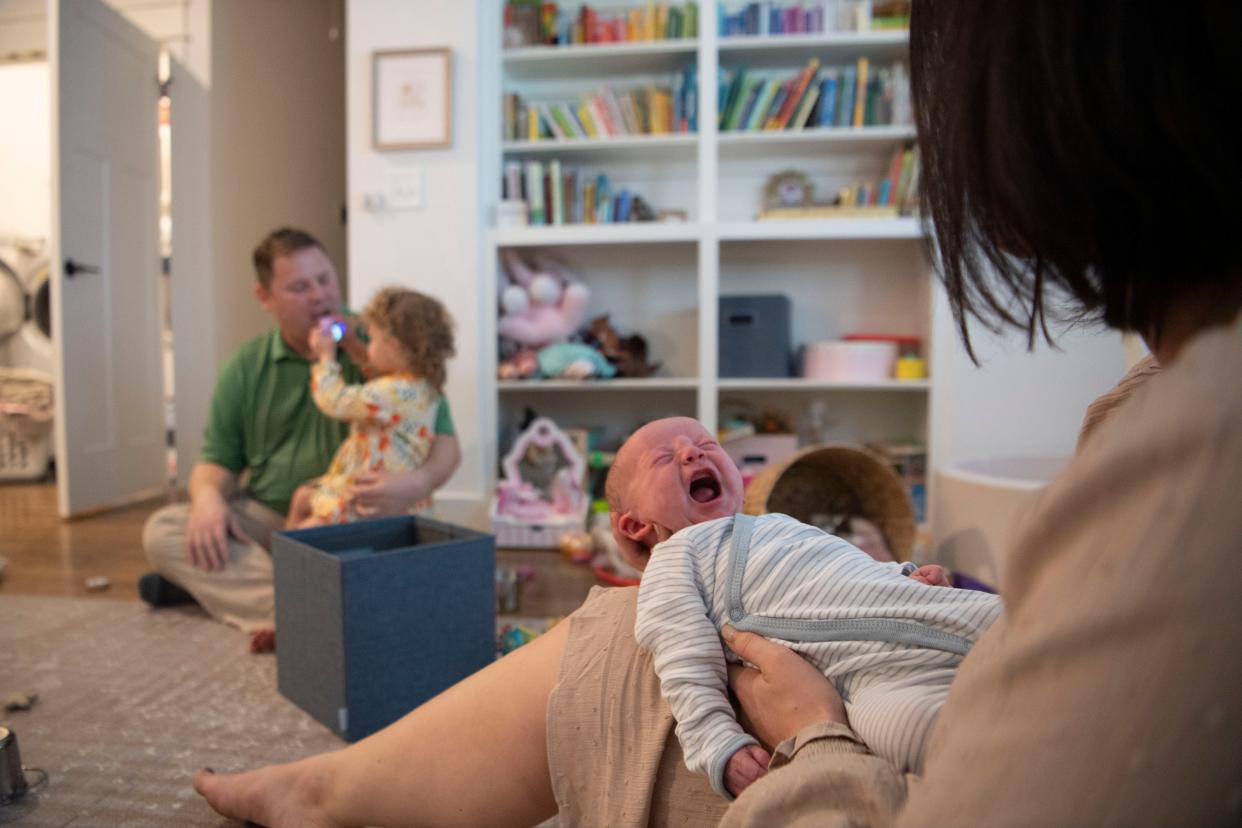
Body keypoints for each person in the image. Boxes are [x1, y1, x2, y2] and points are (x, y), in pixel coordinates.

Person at [194, 2, 1242, 825]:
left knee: (612, 638)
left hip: (908, 636)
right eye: (661, 452)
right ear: (635, 534)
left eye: (703, 443)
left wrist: (842, 688)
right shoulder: (680, 571)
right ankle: (319, 735)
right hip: (875, 679)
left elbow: (449, 448)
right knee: (659, 638)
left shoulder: (1192, 446)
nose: (697, 442)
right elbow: (693, 662)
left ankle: (332, 785)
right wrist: (762, 728)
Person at [609, 417, 999, 798]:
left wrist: (906, 575)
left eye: (707, 445)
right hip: (866, 673)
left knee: (1012, 616)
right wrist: (716, 742)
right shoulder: (675, 558)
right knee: (910, 730)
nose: (693, 452)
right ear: (633, 526)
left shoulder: (779, 523)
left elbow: (849, 565)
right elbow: (682, 660)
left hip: (927, 608)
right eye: (663, 458)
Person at [141, 228, 461, 653]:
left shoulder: (383, 343)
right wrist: (207, 502)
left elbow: (445, 444)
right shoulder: (246, 365)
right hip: (275, 517)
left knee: (393, 555)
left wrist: (415, 485)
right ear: (265, 297)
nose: (319, 296)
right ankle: (318, 611)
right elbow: (216, 463)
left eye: (325, 279)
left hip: (360, 513)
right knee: (164, 531)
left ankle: (285, 602)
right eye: (299, 287)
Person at [286, 287, 454, 528]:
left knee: (307, 531)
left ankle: (287, 563)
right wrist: (354, 345)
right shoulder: (423, 388)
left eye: (373, 339)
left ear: (394, 347)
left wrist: (326, 358)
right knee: (302, 498)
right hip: (396, 497)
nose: (369, 346)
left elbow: (335, 400)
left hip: (367, 500)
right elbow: (380, 382)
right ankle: (287, 557)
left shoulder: (388, 394)